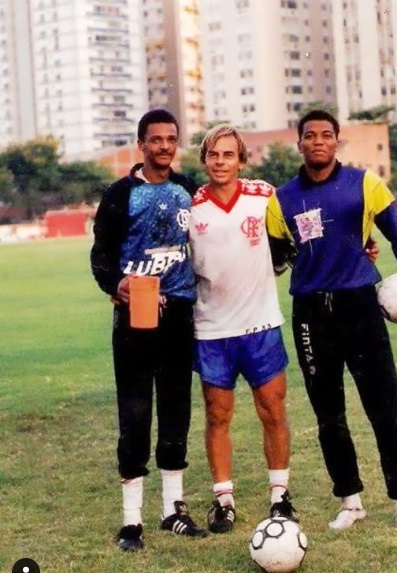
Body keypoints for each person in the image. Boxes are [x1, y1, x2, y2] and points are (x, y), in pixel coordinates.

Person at [267, 109, 397, 535]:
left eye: (327, 135)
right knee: (329, 415)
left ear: (337, 141)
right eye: (311, 135)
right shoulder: (281, 199)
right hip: (310, 315)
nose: (319, 141)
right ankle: (350, 500)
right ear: (300, 143)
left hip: (360, 307)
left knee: (385, 410)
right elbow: (275, 259)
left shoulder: (365, 184)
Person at [90, 109, 207, 551]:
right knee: (135, 415)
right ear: (141, 144)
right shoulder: (121, 194)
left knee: (176, 411)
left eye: (170, 139)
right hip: (136, 315)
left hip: (178, 315)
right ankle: (131, 521)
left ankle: (173, 511)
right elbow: (101, 255)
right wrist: (115, 283)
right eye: (155, 139)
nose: (164, 146)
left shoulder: (189, 191)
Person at [188, 125, 298, 533]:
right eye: (214, 155)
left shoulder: (264, 196)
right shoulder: (191, 206)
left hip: (261, 324)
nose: (221, 162)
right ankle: (224, 500)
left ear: (241, 160)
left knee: (272, 410)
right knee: (218, 415)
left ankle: (280, 496)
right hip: (212, 328)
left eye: (228, 155)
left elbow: (301, 231)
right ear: (205, 160)